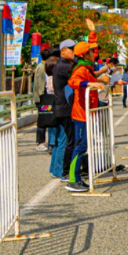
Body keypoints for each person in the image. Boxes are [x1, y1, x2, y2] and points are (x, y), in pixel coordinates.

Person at [66, 42, 110, 193]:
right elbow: (73, 82)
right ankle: (73, 180)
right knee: (80, 146)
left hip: (87, 113)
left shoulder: (87, 67)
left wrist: (92, 33)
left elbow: (90, 78)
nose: (94, 54)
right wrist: (90, 83)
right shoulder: (81, 68)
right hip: (80, 115)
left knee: (84, 146)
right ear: (85, 54)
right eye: (91, 52)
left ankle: (77, 178)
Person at [52, 40, 77, 183]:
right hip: (65, 108)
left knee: (62, 140)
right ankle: (64, 172)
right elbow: (80, 77)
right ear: (63, 51)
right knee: (68, 141)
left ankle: (56, 170)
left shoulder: (61, 65)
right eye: (71, 49)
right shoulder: (64, 66)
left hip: (62, 107)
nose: (74, 52)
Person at [33, 48, 54, 152]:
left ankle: (43, 141)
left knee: (45, 118)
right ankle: (40, 142)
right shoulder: (42, 68)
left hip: (42, 97)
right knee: (43, 119)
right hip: (42, 97)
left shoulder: (42, 66)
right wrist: (43, 97)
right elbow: (41, 84)